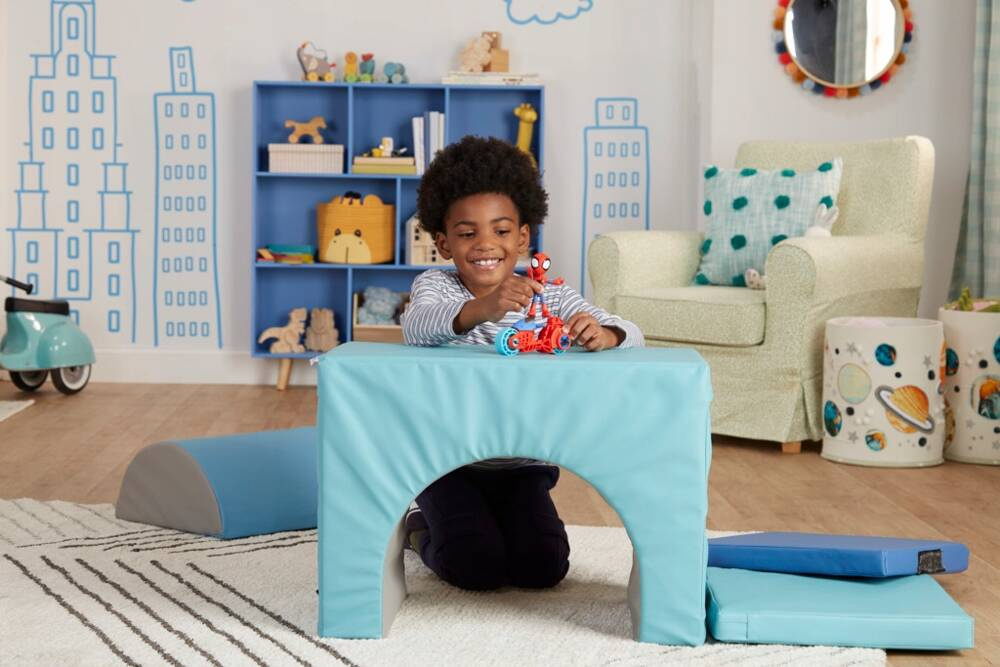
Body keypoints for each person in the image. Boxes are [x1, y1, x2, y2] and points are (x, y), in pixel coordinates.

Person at [400, 135, 644, 591]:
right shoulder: (437, 286)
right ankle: (417, 527)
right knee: (474, 566)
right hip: (446, 464)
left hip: (521, 465)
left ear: (523, 237)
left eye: (501, 231)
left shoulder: (549, 294)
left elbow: (631, 331)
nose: (485, 244)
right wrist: (482, 308)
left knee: (543, 566)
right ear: (444, 243)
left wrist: (605, 333)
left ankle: (496, 519)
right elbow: (415, 325)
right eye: (467, 233)